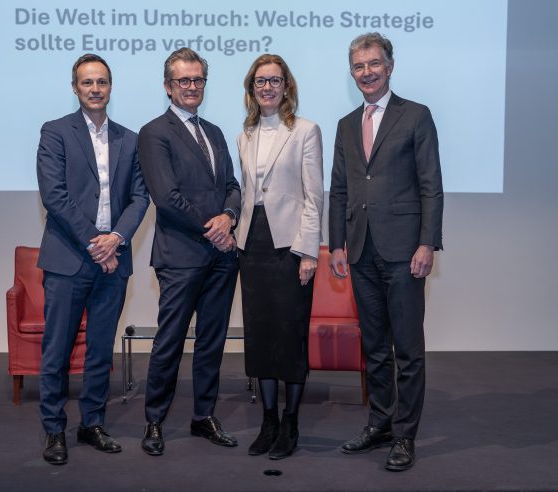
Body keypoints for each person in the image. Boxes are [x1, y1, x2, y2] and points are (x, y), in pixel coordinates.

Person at [329, 33, 444, 471]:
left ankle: (405, 436)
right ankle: (379, 423)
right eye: (359, 67)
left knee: (408, 349)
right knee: (375, 347)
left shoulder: (416, 116)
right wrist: (336, 243)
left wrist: (426, 242)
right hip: (359, 251)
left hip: (404, 251)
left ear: (390, 66)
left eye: (374, 64)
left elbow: (431, 185)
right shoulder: (344, 124)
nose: (367, 73)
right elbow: (339, 189)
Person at [36, 53, 149, 465]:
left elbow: (141, 197)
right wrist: (95, 242)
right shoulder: (55, 132)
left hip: (113, 262)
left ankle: (92, 423)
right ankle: (53, 430)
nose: (95, 89)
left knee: (101, 351)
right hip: (69, 260)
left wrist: (116, 238)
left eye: (102, 82)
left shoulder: (130, 138)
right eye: (87, 82)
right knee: (58, 351)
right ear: (75, 88)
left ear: (111, 87)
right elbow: (55, 197)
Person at [137, 48, 241, 456]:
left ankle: (203, 417)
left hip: (220, 260)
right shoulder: (154, 132)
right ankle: (155, 421)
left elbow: (232, 184)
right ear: (168, 86)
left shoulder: (214, 131)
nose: (192, 86)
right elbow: (166, 198)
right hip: (180, 257)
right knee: (170, 342)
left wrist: (229, 215)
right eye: (184, 80)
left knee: (212, 343)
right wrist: (214, 228)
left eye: (198, 79)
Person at [234, 54, 323, 460]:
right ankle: (268, 420)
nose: (267, 87)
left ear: (287, 86)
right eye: (259, 81)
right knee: (260, 335)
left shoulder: (305, 131)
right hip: (251, 247)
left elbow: (312, 196)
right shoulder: (245, 133)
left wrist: (308, 252)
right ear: (251, 89)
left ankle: (291, 423)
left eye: (274, 80)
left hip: (289, 247)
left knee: (289, 335)